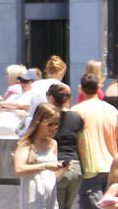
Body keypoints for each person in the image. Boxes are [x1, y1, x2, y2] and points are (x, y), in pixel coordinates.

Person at [77, 72, 118, 209]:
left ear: (81, 89)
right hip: (111, 166)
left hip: (90, 167)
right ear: (98, 89)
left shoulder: (77, 111)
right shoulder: (112, 110)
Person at [12, 102, 65, 209]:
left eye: (56, 124)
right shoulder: (27, 143)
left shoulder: (53, 143)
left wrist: (62, 168)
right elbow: (19, 170)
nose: (53, 128)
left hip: (50, 200)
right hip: (33, 200)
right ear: (38, 122)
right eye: (49, 124)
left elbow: (54, 177)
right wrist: (45, 166)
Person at [48, 81, 83, 209]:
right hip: (76, 168)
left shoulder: (48, 118)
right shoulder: (76, 117)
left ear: (51, 97)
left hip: (57, 166)